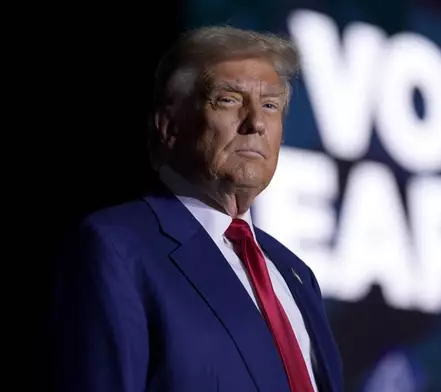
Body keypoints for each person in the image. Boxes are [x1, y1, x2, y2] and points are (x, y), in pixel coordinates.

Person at [49, 25, 344, 392]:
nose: (255, 123)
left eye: (270, 105)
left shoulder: (296, 274)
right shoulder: (117, 249)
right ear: (170, 127)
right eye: (229, 99)